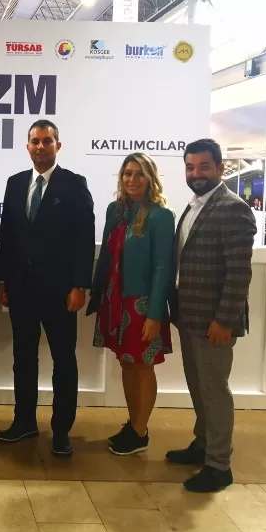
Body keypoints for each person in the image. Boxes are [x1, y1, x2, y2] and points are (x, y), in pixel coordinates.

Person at [0, 119, 95, 457]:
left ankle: (62, 430)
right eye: (35, 141)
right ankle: (24, 422)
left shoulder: (74, 184)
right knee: (22, 359)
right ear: (27, 146)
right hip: (21, 289)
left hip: (61, 292)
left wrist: (80, 284)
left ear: (58, 146)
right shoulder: (14, 183)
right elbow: (8, 235)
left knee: (63, 360)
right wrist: (3, 280)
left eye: (47, 141)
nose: (40, 147)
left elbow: (84, 238)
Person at [167, 138, 256, 493]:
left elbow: (239, 273)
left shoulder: (233, 208)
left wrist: (225, 320)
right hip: (189, 316)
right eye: (190, 167)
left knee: (215, 391)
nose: (196, 173)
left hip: (214, 322)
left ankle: (219, 466)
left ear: (220, 168)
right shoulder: (193, 206)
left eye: (204, 166)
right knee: (198, 386)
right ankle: (203, 443)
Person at [87, 153, 175, 456]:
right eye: (127, 173)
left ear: (150, 179)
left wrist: (155, 315)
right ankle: (134, 423)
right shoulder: (116, 210)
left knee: (142, 366)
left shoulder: (162, 216)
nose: (132, 179)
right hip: (115, 301)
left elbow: (163, 268)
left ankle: (140, 431)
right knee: (126, 362)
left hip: (142, 304)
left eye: (139, 174)